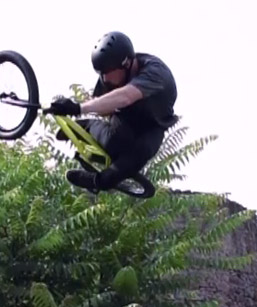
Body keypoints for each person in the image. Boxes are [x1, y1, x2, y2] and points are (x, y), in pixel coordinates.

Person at [46, 31, 179, 194]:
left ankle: (98, 181)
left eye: (109, 74)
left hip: (153, 125)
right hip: (127, 119)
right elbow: (104, 108)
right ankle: (88, 127)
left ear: (127, 63)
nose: (106, 80)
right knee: (114, 144)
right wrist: (74, 108)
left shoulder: (155, 72)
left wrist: (78, 108)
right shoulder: (106, 77)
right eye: (101, 74)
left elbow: (126, 96)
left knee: (134, 158)